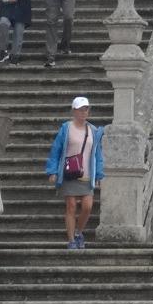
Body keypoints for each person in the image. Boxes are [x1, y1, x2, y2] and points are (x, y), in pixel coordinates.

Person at [46, 96, 103, 250]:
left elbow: (97, 154)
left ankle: (79, 232)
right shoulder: (66, 128)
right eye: (81, 109)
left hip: (86, 173)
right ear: (74, 111)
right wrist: (52, 171)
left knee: (87, 207)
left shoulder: (93, 130)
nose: (84, 112)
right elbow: (56, 150)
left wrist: (98, 174)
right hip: (69, 172)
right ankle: (71, 240)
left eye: (86, 109)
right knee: (71, 206)